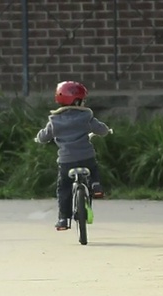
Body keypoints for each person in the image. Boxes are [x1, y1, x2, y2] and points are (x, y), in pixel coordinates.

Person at [34, 81, 111, 231]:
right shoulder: (86, 116)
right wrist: (106, 131)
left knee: (64, 188)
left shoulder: (55, 121)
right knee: (93, 168)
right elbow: (100, 129)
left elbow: (44, 136)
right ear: (77, 100)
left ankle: (63, 219)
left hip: (66, 161)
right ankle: (96, 185)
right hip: (85, 156)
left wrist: (39, 138)